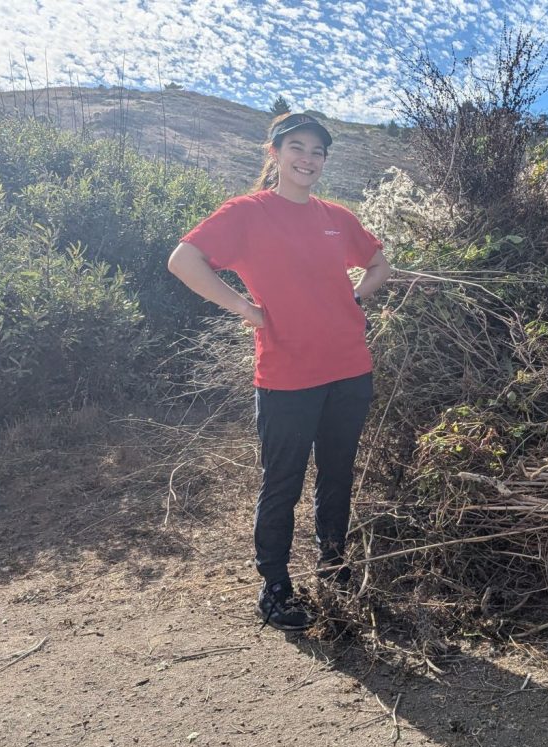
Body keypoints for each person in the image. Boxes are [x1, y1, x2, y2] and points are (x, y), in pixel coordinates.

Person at [167, 112, 391, 631]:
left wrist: (356, 296)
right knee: (282, 483)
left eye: (317, 151)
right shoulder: (247, 213)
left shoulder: (336, 215)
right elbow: (184, 259)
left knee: (337, 476)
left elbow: (381, 264)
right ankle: (274, 588)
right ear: (275, 153)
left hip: (350, 369)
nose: (307, 159)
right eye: (297, 147)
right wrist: (246, 310)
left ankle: (334, 568)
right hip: (287, 374)